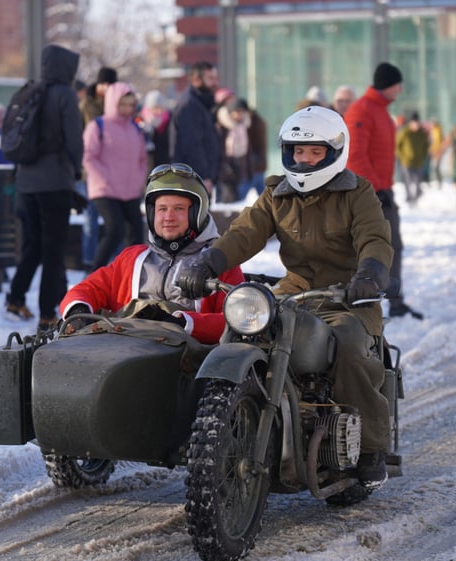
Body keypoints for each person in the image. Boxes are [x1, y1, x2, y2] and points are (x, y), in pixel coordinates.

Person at [177, 106, 394, 489]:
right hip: (294, 292)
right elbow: (245, 232)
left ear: (333, 152)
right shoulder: (277, 193)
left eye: (313, 152)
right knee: (244, 328)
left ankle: (372, 448)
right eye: (297, 151)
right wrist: (207, 263)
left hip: (347, 297)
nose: (304, 159)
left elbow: (374, 239)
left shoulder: (357, 193)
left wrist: (369, 274)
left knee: (346, 345)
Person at [61, 163, 245, 343]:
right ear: (151, 214)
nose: (168, 217)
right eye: (162, 209)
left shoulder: (219, 262)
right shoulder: (131, 259)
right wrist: (78, 311)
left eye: (178, 209)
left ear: (197, 214)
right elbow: (87, 289)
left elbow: (236, 320)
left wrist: (183, 323)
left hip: (186, 364)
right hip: (122, 353)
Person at [4, 44, 84, 330]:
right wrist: (76, 169)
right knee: (53, 250)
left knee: (33, 246)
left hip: (26, 182)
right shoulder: (65, 95)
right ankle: (48, 312)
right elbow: (74, 139)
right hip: (54, 183)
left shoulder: (32, 91)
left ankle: (14, 298)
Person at [344, 62, 423, 320]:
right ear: (389, 84)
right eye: (398, 85)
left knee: (392, 246)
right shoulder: (362, 110)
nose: (400, 90)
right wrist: (375, 190)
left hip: (382, 191)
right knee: (373, 248)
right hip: (368, 195)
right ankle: (363, 303)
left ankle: (394, 300)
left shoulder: (381, 112)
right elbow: (355, 155)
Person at [82, 82, 148, 271]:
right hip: (105, 189)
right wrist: (105, 178)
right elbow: (89, 156)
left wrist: (138, 180)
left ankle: (131, 274)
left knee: (135, 233)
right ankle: (95, 273)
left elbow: (142, 159)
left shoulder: (135, 128)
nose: (127, 109)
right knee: (115, 230)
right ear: (113, 103)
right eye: (123, 105)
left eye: (130, 105)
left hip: (130, 190)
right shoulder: (98, 126)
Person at [79, 67, 119, 273]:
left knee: (116, 220)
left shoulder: (118, 104)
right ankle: (89, 261)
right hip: (93, 171)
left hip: (116, 171)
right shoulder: (88, 105)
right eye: (106, 85)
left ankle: (117, 262)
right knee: (91, 217)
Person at [170, 61, 220, 194]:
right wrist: (203, 176)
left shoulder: (201, 104)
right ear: (197, 80)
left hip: (199, 179)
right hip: (193, 180)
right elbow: (192, 145)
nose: (215, 83)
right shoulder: (190, 106)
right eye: (210, 79)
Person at [395, 112, 430, 205]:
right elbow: (398, 145)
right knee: (407, 180)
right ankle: (409, 197)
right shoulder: (405, 132)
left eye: (417, 123)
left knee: (418, 180)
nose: (416, 125)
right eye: (414, 123)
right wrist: (401, 156)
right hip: (406, 161)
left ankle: (417, 195)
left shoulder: (421, 133)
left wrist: (423, 156)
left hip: (418, 161)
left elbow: (425, 146)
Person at [137, 89, 171, 169]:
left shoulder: (169, 120)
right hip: (147, 164)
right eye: (154, 108)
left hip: (165, 163)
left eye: (160, 108)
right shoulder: (140, 119)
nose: (158, 111)